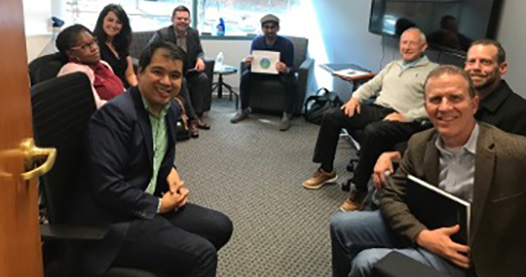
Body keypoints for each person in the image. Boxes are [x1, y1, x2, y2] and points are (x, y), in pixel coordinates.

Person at [330, 65, 526, 277]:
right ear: (426, 106)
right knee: (341, 224)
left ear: (474, 104)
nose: (444, 107)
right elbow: (391, 196)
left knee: (367, 262)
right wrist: (421, 235)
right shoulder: (420, 143)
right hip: (426, 229)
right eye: (435, 100)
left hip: (473, 257)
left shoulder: (514, 152)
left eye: (455, 98)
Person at [69, 41, 232, 276]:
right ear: (140, 72)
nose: (166, 82)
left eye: (175, 75)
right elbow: (107, 188)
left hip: (141, 202)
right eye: (158, 71)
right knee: (202, 254)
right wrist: (158, 205)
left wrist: (171, 174)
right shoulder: (114, 116)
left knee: (220, 226)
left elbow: (157, 155)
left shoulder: (170, 109)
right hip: (112, 222)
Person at [303, 28, 438, 211]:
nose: (406, 47)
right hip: (378, 108)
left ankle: (359, 190)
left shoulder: (433, 72)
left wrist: (406, 116)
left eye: (412, 43)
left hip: (404, 120)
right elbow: (371, 85)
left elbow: (433, 106)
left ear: (424, 46)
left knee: (372, 132)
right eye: (403, 42)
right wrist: (355, 98)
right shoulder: (393, 65)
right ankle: (327, 170)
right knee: (332, 115)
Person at [373, 39, 526, 189]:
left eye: (485, 62)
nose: (476, 67)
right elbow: (432, 137)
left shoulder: (519, 112)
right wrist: (397, 153)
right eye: (471, 61)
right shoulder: (450, 105)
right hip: (437, 176)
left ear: (502, 68)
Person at [148, 5, 211, 134]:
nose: (183, 21)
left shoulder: (193, 33)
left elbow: (199, 51)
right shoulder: (162, 34)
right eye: (179, 18)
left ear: (189, 21)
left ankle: (198, 114)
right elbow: (149, 52)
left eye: (186, 19)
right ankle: (192, 119)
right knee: (181, 82)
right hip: (170, 72)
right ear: (173, 19)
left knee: (203, 78)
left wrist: (200, 59)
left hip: (189, 69)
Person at [230, 14, 296, 131]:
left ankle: (287, 115)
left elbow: (292, 67)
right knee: (245, 77)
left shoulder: (287, 44)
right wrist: (248, 63)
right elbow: (252, 63)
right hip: (261, 72)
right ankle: (244, 109)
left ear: (278, 28)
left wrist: (285, 68)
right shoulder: (257, 42)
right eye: (266, 27)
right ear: (262, 29)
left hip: (279, 74)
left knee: (292, 81)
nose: (269, 30)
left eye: (272, 27)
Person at [56, 24, 125, 108]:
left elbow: (121, 89)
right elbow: (95, 106)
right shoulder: (74, 72)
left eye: (94, 42)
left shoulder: (103, 64)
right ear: (70, 53)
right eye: (85, 46)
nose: (94, 48)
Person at [93, 4, 137, 88]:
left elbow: (130, 75)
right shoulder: (94, 46)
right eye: (110, 20)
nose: (113, 25)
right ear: (102, 21)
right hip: (110, 91)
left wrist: (140, 90)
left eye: (118, 22)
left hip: (126, 89)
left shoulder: (121, 45)